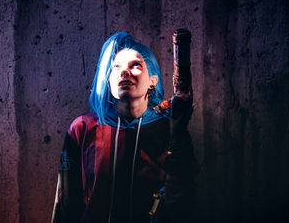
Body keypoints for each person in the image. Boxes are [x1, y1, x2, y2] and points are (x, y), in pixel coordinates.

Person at [51, 33, 195, 223]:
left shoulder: (167, 128)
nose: (124, 72)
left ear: (153, 79)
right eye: (115, 67)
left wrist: (179, 132)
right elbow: (66, 202)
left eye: (135, 65)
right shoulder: (83, 128)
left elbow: (181, 199)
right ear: (107, 79)